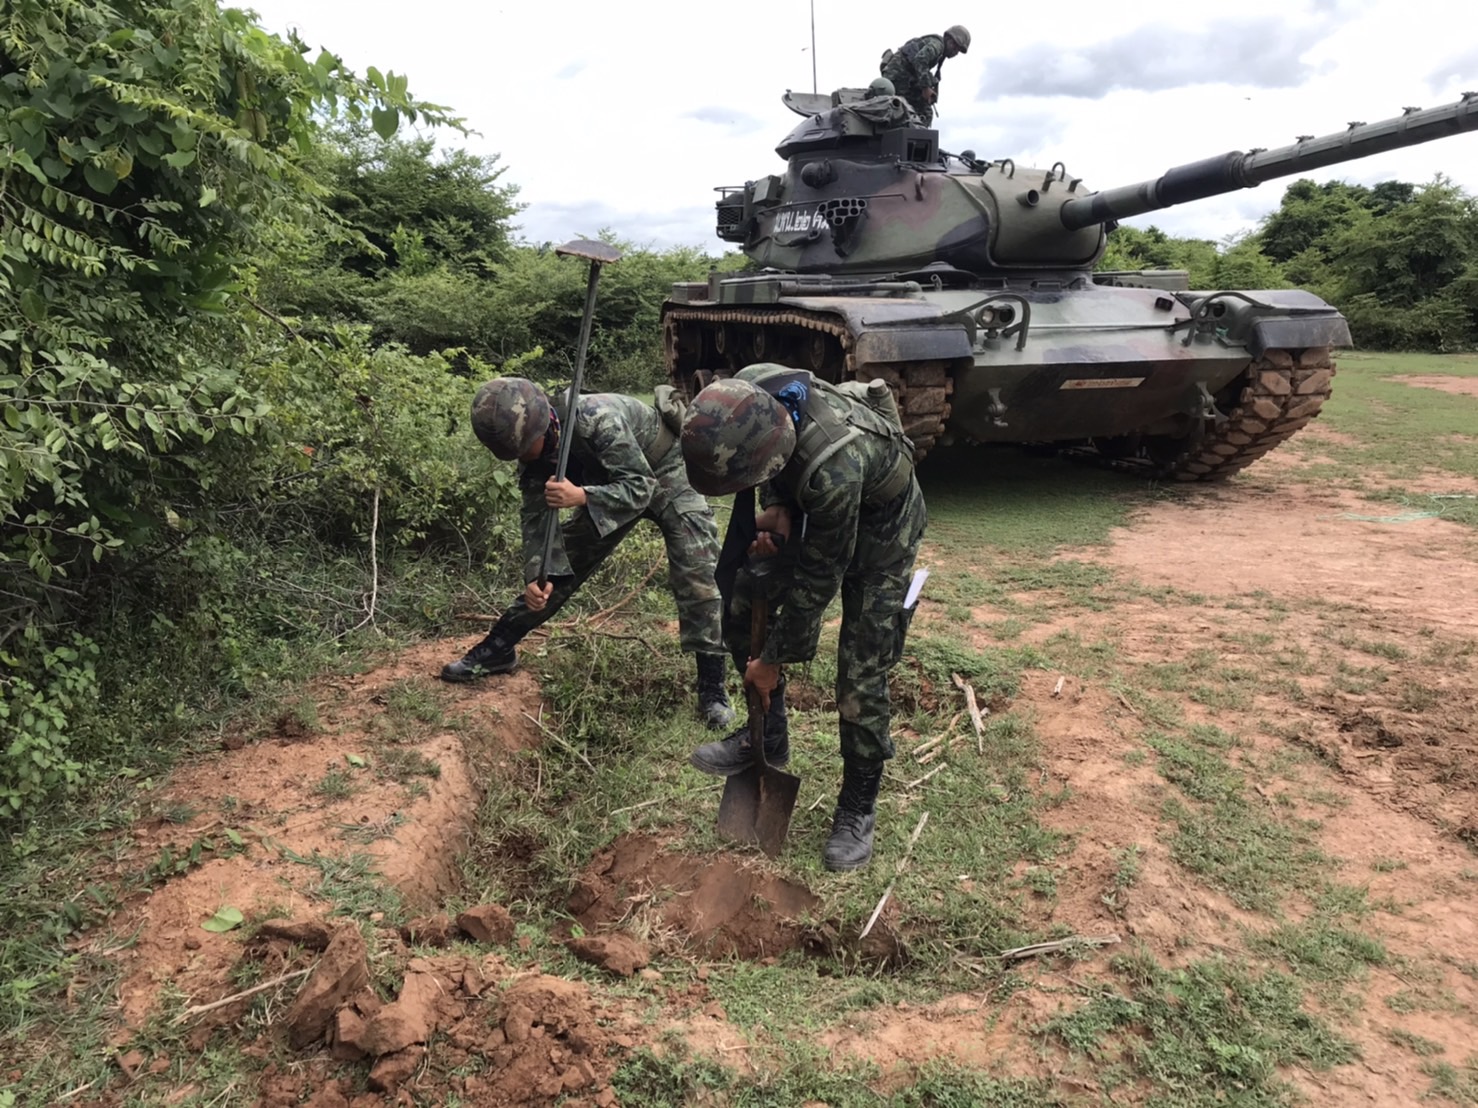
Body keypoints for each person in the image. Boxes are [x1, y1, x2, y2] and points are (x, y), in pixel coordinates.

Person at [679, 364, 928, 871]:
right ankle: (767, 736)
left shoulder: (834, 469)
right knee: (743, 594)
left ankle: (857, 805)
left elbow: (818, 583)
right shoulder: (751, 390)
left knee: (862, 667)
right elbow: (770, 478)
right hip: (816, 503)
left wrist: (771, 661)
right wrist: (778, 513)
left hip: (884, 531)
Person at [440, 377, 735, 732]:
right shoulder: (531, 450)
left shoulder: (596, 418)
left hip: (664, 472)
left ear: (543, 424)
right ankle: (499, 646)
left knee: (697, 570)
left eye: (525, 448)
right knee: (560, 567)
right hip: (607, 482)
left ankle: (713, 688)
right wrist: (535, 575)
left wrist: (582, 496)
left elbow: (640, 486)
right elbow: (535, 521)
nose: (523, 457)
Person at [879, 24, 970, 127]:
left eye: (958, 50)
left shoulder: (939, 51)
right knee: (925, 112)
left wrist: (931, 85)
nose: (955, 52)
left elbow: (920, 66)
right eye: (955, 46)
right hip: (897, 77)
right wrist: (925, 88)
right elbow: (920, 60)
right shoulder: (937, 45)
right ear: (948, 38)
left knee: (920, 110)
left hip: (901, 77)